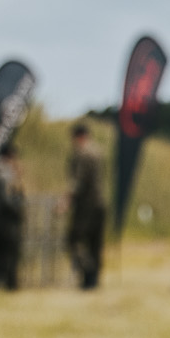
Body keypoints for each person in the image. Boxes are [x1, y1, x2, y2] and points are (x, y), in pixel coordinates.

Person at [65, 123, 105, 291]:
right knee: (95, 243)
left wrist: (66, 200)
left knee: (74, 240)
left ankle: (86, 273)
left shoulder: (82, 153)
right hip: (100, 202)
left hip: (85, 205)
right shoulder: (99, 152)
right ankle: (94, 279)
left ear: (78, 136)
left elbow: (78, 182)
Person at [0, 141, 27, 290]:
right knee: (11, 252)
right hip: (8, 220)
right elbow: (8, 199)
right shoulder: (6, 175)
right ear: (11, 156)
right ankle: (10, 283)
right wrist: (18, 212)